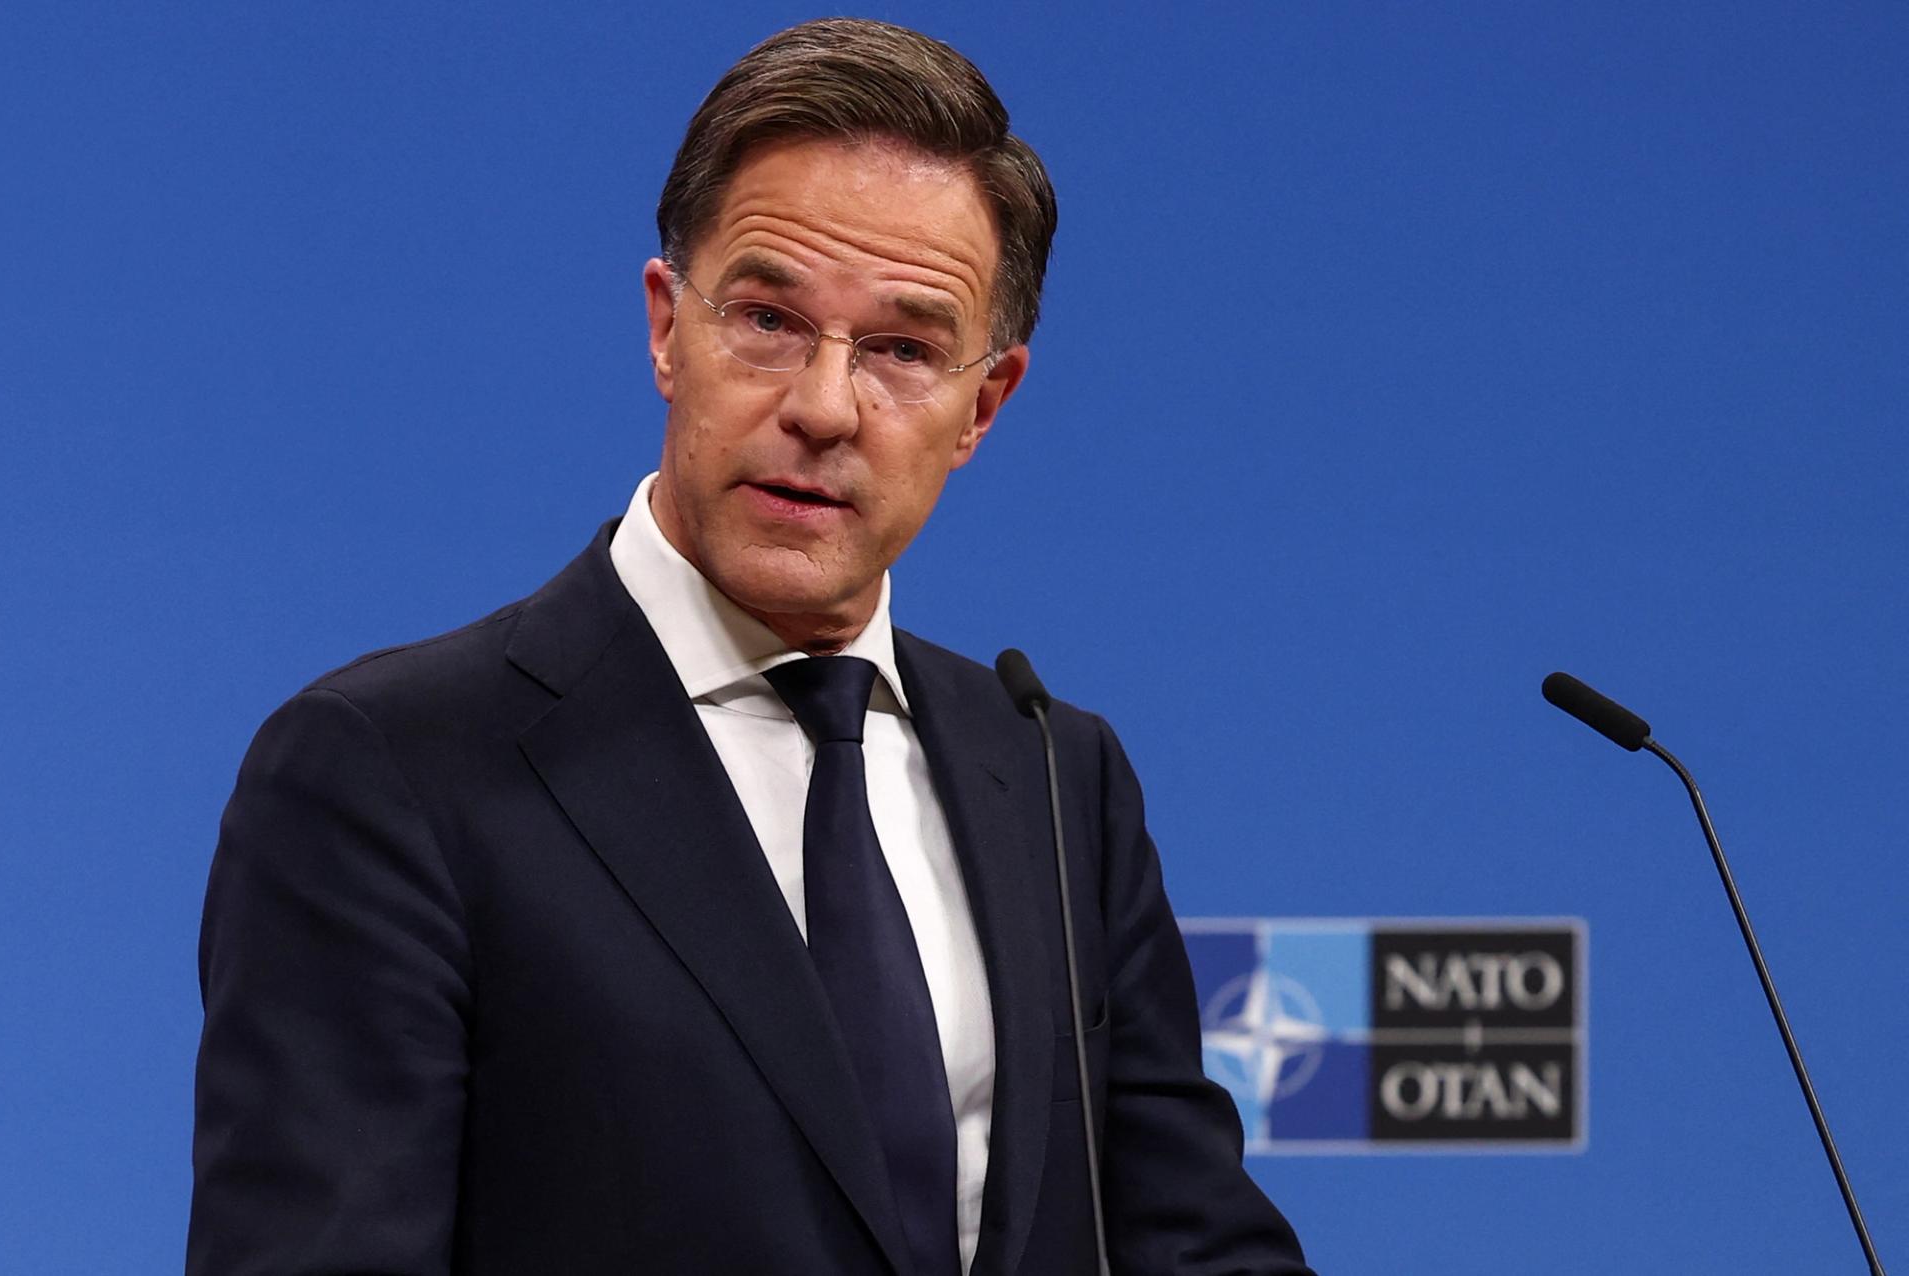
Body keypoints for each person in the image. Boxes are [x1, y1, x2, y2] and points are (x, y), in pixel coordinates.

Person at [188, 18, 1313, 1276]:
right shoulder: (389, 770)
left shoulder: (1056, 780)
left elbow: (1196, 1244)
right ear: (669, 327)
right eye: (769, 318)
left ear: (983, 405)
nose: (824, 406)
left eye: (901, 349)